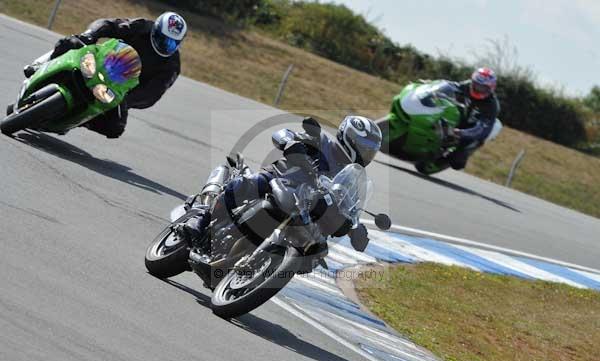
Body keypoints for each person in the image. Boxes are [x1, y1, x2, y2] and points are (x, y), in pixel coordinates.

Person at [179, 116, 382, 252]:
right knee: (248, 183)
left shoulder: (351, 179)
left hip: (306, 211)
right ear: (349, 138)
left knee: (316, 249)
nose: (368, 155)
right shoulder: (320, 141)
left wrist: (355, 229)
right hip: (279, 180)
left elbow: (348, 208)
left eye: (371, 151)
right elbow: (282, 134)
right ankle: (201, 219)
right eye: (365, 148)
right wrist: (292, 144)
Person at [24, 12, 187, 138]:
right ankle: (40, 65)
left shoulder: (172, 66)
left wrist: (127, 100)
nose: (166, 45)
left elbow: (152, 93)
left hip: (119, 89)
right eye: (163, 39)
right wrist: (91, 34)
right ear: (156, 30)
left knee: (115, 127)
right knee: (70, 43)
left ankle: (80, 120)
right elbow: (109, 24)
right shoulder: (142, 26)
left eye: (172, 42)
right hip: (101, 60)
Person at [446, 67, 500, 169]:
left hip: (474, 127)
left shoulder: (492, 105)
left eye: (483, 87)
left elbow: (483, 129)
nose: (478, 89)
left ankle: (465, 153)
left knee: (457, 163)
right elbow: (449, 86)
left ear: (491, 88)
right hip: (461, 116)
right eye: (476, 84)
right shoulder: (466, 85)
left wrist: (462, 133)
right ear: (472, 81)